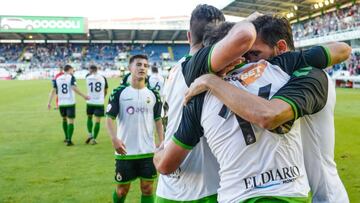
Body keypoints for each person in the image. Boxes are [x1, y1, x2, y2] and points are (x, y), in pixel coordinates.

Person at [154, 20, 351, 202]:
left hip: (238, 195)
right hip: (290, 192)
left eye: (253, 53)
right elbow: (342, 49)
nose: (248, 59)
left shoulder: (197, 95)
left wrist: (157, 153)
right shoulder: (285, 67)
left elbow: (166, 164)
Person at [155, 4, 228, 202]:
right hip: (204, 187)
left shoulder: (174, 70)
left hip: (167, 189)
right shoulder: (201, 66)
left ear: (188, 36)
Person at [106, 54, 164, 203]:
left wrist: (162, 142)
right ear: (130, 68)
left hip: (148, 151)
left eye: (145, 65)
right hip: (125, 151)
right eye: (138, 65)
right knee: (121, 191)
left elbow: (158, 120)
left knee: (147, 188)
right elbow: (109, 118)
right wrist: (114, 140)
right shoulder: (119, 92)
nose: (142, 68)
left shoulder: (154, 95)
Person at [47, 64, 89, 146]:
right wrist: (84, 96)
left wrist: (49, 102)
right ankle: (69, 140)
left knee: (64, 119)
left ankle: (66, 137)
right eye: (72, 70)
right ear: (69, 70)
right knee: (71, 121)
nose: (73, 72)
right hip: (70, 102)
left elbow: (53, 91)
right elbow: (74, 88)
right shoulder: (71, 77)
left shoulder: (58, 78)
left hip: (61, 103)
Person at [85, 65, 108, 145]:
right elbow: (106, 90)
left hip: (90, 101)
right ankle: (94, 139)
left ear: (90, 70)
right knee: (97, 121)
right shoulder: (103, 78)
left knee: (89, 117)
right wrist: (103, 97)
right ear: (97, 70)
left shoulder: (87, 77)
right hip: (99, 102)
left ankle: (90, 134)